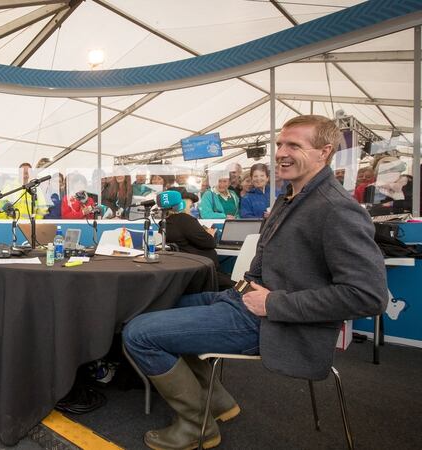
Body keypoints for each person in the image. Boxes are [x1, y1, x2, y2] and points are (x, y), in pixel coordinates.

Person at [123, 115, 387, 450]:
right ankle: (216, 402)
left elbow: (368, 296)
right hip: (241, 301)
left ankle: (196, 426)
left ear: (324, 152)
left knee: (139, 334)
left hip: (273, 320)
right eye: (279, 144)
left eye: (294, 145)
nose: (281, 152)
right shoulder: (291, 197)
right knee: (159, 309)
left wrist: (274, 304)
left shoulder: (337, 209)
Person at [164, 189, 234, 290]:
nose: (191, 208)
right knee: (241, 288)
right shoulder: (185, 219)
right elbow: (209, 243)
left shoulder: (166, 222)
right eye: (190, 205)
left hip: (191, 272)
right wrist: (210, 234)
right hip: (205, 274)